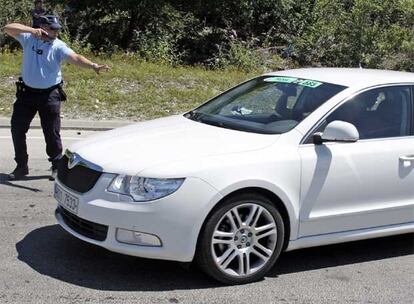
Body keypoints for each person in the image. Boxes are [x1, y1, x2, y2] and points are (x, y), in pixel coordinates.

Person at [3, 15, 109, 181]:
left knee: (51, 133)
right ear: (43, 27)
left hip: (49, 94)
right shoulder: (28, 38)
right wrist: (32, 30)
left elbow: (75, 57)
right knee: (17, 129)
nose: (56, 32)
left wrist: (93, 66)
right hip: (26, 94)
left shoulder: (58, 46)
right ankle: (21, 166)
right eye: (52, 28)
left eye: (58, 29)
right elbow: (8, 28)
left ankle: (55, 165)